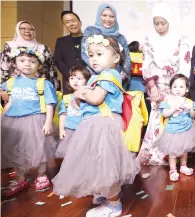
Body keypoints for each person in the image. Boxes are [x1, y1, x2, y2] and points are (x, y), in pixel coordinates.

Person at [52, 35, 140, 217]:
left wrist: (79, 93)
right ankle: (105, 192)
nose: (93, 58)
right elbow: (81, 105)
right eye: (91, 55)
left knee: (105, 164)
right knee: (97, 162)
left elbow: (95, 98)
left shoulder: (110, 74)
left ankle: (114, 204)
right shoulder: (96, 77)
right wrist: (79, 96)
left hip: (104, 125)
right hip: (94, 125)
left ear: (116, 58)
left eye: (99, 54)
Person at [137, 2, 191, 165]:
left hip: (175, 85)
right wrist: (152, 87)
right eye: (156, 23)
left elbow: (185, 62)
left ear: (169, 20)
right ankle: (154, 154)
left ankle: (174, 154)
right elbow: (146, 64)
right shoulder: (148, 39)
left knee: (174, 117)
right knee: (157, 116)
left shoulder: (180, 38)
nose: (159, 27)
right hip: (157, 87)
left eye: (163, 23)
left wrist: (180, 87)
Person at [1, 47, 58, 196]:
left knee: (39, 149)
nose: (27, 64)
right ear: (15, 63)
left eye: (32, 61)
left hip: (35, 120)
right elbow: (9, 102)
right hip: (14, 120)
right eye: (22, 60)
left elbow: (49, 104)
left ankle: (41, 174)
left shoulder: (43, 83)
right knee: (17, 150)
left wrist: (48, 122)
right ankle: (20, 178)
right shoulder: (11, 83)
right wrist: (3, 119)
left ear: (39, 65)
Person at [155, 74, 195, 181]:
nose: (178, 89)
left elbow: (193, 116)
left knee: (184, 151)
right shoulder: (168, 101)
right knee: (172, 153)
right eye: (175, 87)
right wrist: (173, 108)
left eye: (181, 87)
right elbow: (164, 114)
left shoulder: (189, 102)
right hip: (172, 131)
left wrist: (190, 109)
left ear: (187, 89)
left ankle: (183, 166)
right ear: (171, 89)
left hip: (186, 130)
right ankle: (172, 169)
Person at [81, 3, 131, 88]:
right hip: (94, 75)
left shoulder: (121, 38)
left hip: (116, 77)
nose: (108, 19)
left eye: (112, 16)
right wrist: (103, 73)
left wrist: (123, 75)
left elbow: (127, 58)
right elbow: (85, 53)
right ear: (99, 16)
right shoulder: (90, 31)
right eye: (104, 15)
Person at [1, 21, 60, 90]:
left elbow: (51, 69)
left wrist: (54, 89)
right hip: (15, 88)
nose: (27, 31)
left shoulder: (43, 48)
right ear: (17, 30)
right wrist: (2, 89)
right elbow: (4, 68)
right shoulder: (11, 46)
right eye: (23, 28)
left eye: (31, 29)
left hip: (39, 88)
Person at [55, 66, 90, 158]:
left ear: (87, 80)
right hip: (70, 131)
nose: (75, 81)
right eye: (72, 78)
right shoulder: (66, 98)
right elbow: (63, 115)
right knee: (70, 155)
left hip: (85, 132)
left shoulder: (90, 98)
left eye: (79, 78)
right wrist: (61, 129)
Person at [54, 11, 84, 94]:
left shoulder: (90, 39)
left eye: (73, 21)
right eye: (67, 22)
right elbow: (58, 61)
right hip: (70, 84)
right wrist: (71, 75)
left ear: (80, 22)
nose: (71, 24)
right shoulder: (61, 41)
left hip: (89, 81)